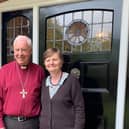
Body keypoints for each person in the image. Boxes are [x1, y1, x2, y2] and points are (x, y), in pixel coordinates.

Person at [0, 35, 45, 129]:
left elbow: (44, 100)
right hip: (9, 123)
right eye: (17, 50)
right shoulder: (4, 71)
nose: (20, 54)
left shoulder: (39, 71)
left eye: (24, 50)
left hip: (33, 123)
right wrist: (0, 125)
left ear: (30, 51)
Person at [40, 48, 85, 129]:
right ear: (44, 63)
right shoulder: (43, 83)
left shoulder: (71, 81)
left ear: (61, 62)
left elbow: (79, 108)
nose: (51, 63)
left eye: (55, 59)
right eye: (48, 60)